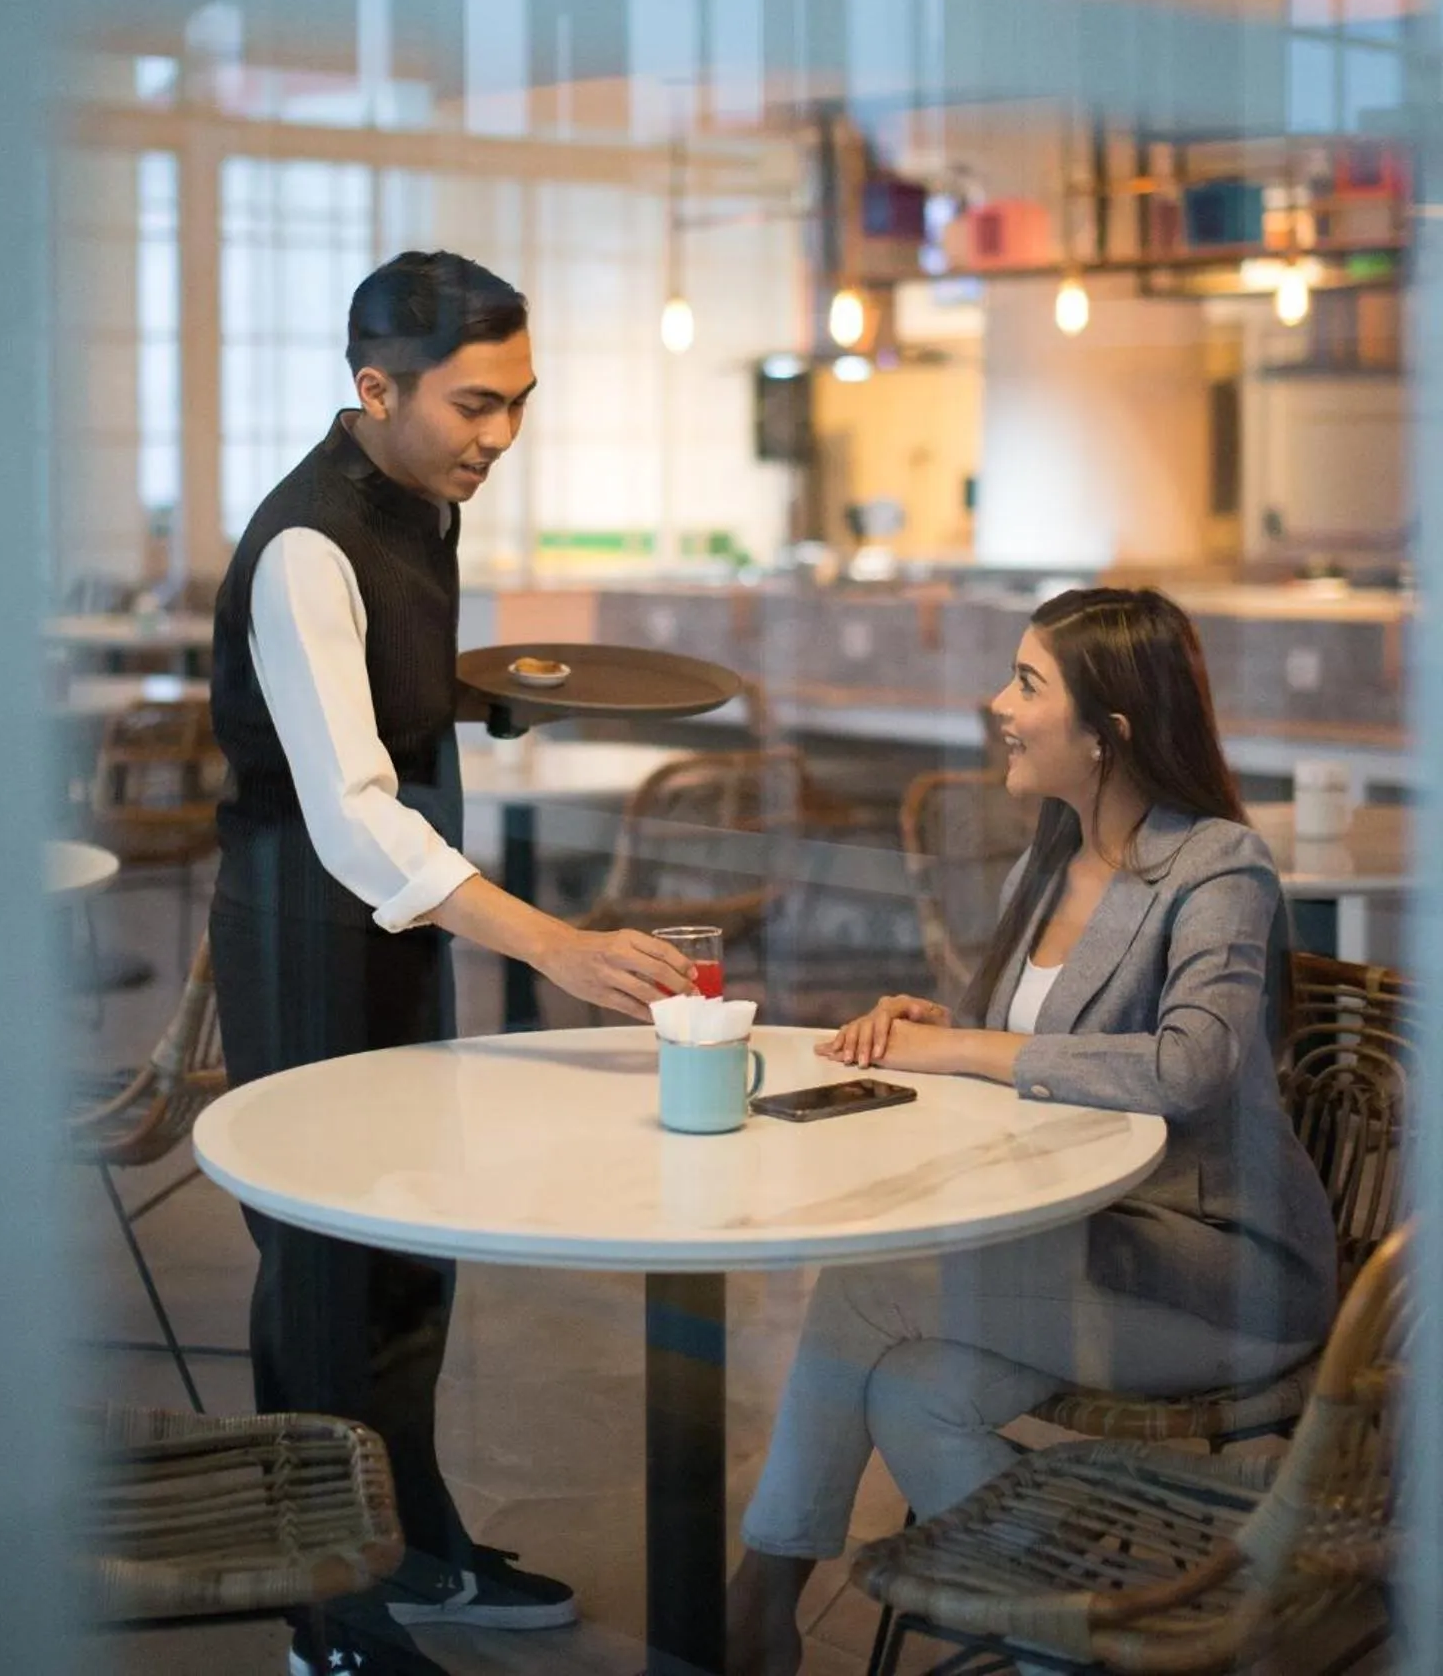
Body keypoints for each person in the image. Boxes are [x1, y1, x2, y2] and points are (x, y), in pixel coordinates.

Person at [207, 251, 695, 1676]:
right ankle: (327, 1619)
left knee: (410, 1257)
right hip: (310, 928)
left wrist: (476, 700)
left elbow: (383, 706)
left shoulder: (424, 498)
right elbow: (353, 812)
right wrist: (555, 945)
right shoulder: (309, 540)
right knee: (321, 1276)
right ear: (375, 390)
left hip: (399, 933)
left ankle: (412, 1541)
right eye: (475, 404)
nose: (500, 436)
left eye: (520, 403)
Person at [725, 586, 1338, 1676]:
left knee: (864, 1287)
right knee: (912, 1393)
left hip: (1214, 1277)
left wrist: (964, 1050)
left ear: (1108, 731)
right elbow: (1038, 1059)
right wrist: (943, 1027)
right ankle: (1087, 1639)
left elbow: (1187, 1067)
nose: (993, 703)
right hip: (1083, 1247)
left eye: (1024, 683)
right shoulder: (1040, 869)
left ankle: (760, 1591)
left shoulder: (1215, 868)